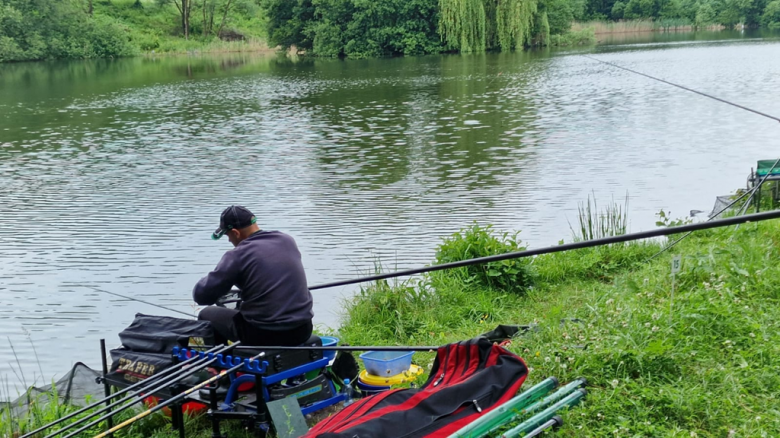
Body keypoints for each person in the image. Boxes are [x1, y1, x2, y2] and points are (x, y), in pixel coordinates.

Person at [193, 205, 314, 346]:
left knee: (206, 314)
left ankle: (213, 364)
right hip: (302, 329)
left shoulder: (238, 254)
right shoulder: (287, 240)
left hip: (264, 334)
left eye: (228, 235)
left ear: (235, 233)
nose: (229, 241)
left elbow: (202, 296)